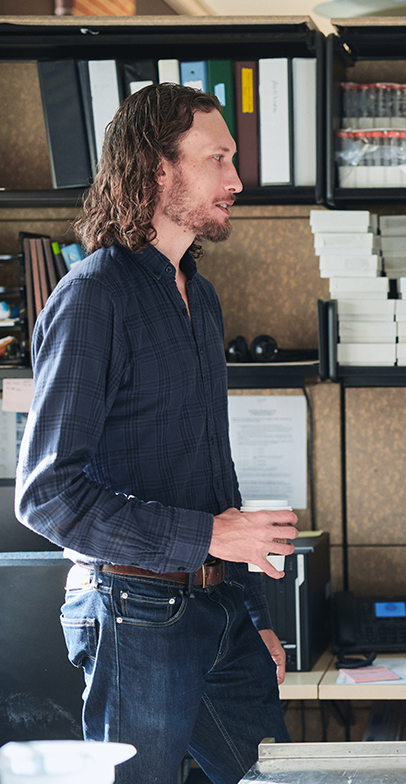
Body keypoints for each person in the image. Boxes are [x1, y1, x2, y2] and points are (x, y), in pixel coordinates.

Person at [15, 83, 296, 784]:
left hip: (219, 607)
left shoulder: (198, 294)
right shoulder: (93, 296)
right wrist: (208, 538)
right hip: (131, 613)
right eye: (218, 159)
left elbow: (214, 477)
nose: (237, 180)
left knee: (281, 779)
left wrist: (252, 607)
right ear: (157, 168)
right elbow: (47, 497)